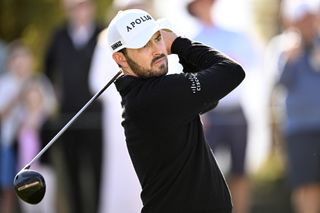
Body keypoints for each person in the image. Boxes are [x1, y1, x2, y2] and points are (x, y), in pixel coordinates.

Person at [106, 9, 245, 212]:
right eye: (143, 45)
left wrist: (182, 53)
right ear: (121, 59)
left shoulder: (148, 94)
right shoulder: (155, 96)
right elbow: (232, 72)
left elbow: (208, 100)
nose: (157, 50)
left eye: (157, 38)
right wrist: (178, 43)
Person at [186, 0, 261, 212]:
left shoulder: (234, 35)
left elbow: (253, 62)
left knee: (240, 172)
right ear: (194, 8)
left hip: (236, 113)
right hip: (210, 115)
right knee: (205, 172)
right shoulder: (193, 40)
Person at [89, 1, 154, 213]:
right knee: (121, 175)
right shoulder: (106, 41)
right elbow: (97, 81)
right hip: (121, 118)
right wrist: (132, 94)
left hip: (153, 116)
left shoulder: (155, 36)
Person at [43, 0, 103, 212]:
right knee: (72, 172)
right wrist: (53, 95)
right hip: (67, 117)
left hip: (99, 118)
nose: (80, 10)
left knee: (99, 172)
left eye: (84, 4)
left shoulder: (103, 32)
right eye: (75, 6)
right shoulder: (58, 35)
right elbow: (47, 71)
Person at [274, 1, 320, 212]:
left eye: (311, 17)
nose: (308, 23)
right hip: (298, 128)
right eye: (302, 19)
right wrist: (290, 58)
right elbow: (280, 83)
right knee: (305, 184)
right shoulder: (283, 47)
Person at [0, 40, 34, 213]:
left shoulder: (36, 81)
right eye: (16, 57)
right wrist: (17, 97)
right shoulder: (4, 84)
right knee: (8, 190)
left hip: (32, 144)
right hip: (8, 144)